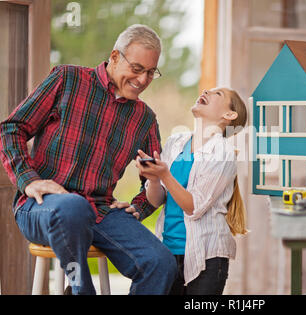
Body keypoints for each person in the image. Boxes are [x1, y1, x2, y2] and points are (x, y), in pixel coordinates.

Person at [0, 24, 177, 295]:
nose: (143, 80)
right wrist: (28, 181)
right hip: (45, 208)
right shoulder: (67, 79)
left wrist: (138, 208)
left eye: (151, 72)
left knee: (160, 263)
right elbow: (12, 128)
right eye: (137, 69)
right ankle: (81, 289)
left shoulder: (144, 118)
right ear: (115, 57)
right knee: (72, 207)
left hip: (100, 212)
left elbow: (154, 179)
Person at [136, 87, 248, 295]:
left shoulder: (223, 153)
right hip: (168, 251)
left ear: (229, 115)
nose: (207, 91)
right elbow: (157, 199)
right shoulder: (175, 142)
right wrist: (153, 179)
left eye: (218, 94)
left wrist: (165, 175)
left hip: (207, 257)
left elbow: (194, 207)